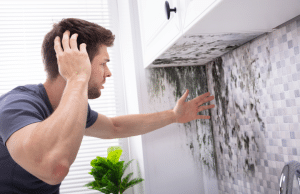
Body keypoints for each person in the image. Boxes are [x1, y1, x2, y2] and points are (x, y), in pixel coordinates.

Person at [0, 18, 215, 193]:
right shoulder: (18, 105)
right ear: (75, 61)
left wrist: (174, 115)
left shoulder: (71, 107)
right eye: (103, 63)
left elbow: (114, 127)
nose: (108, 72)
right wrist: (77, 78)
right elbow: (53, 168)